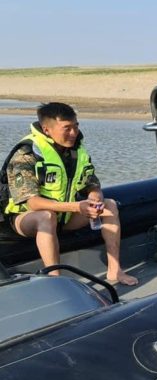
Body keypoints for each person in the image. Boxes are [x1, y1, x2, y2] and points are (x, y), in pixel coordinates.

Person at [0, 102, 137, 286]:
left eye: (76, 126)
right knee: (46, 216)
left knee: (109, 205)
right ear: (47, 129)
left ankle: (115, 270)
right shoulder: (26, 154)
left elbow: (91, 182)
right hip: (24, 219)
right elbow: (32, 203)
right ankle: (55, 281)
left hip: (64, 217)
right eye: (67, 128)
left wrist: (94, 194)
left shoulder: (77, 150)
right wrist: (77, 206)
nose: (73, 133)